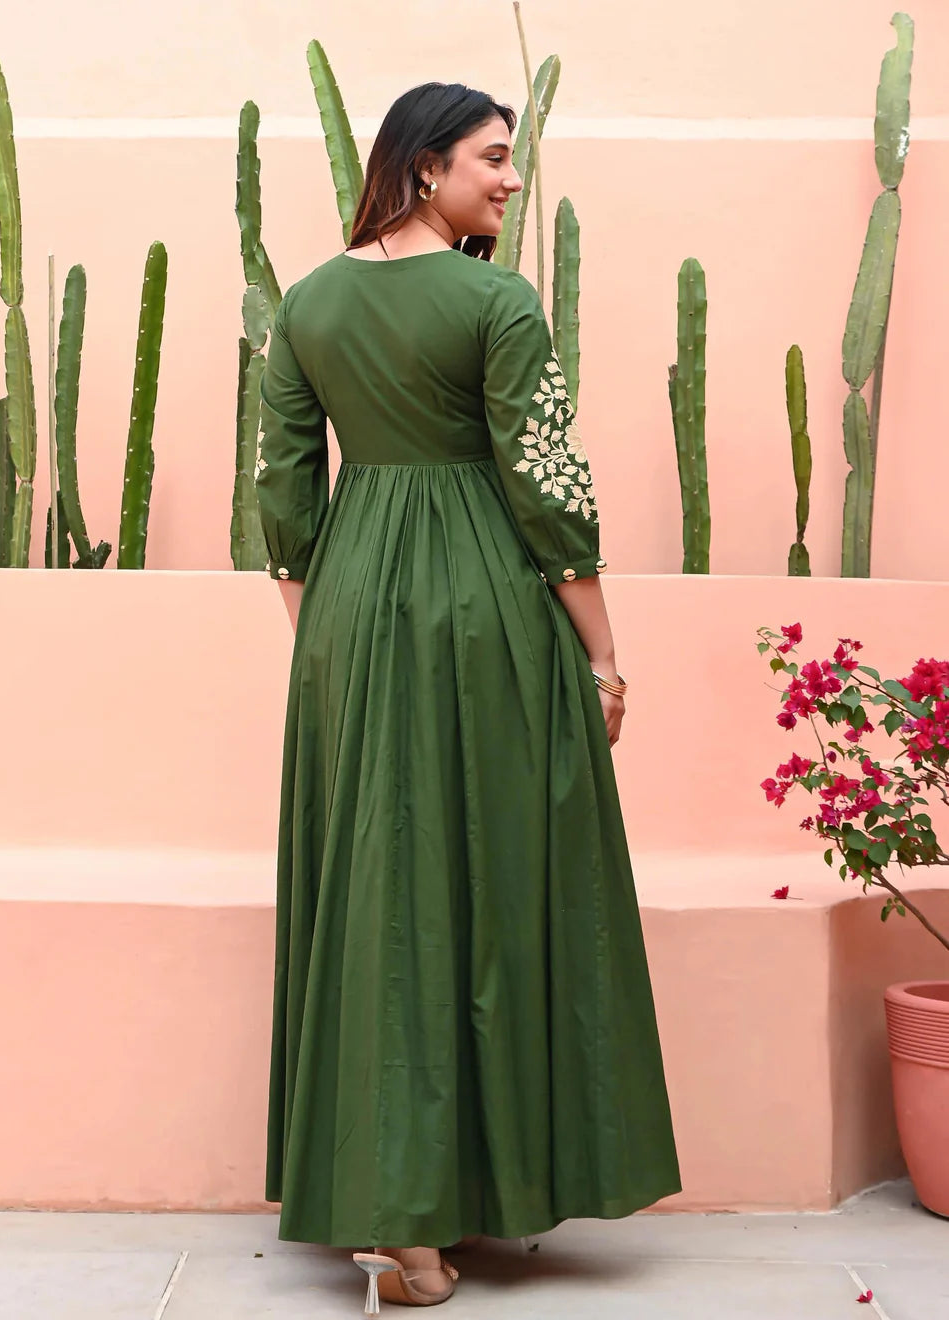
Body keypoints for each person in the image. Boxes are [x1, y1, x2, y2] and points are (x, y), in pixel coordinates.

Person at [255, 81, 681, 1314]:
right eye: (493, 158)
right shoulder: (499, 302)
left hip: (349, 609)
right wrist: (603, 655)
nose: (509, 179)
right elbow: (546, 485)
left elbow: (282, 495)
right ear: (424, 166)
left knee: (383, 893)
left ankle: (409, 1211)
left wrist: (324, 642)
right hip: (485, 603)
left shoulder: (305, 304)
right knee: (490, 883)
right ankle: (442, 1207)